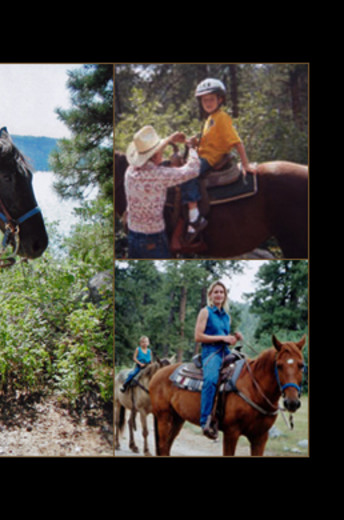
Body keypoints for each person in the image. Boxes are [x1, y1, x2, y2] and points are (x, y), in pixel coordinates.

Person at [182, 78, 256, 242]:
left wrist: (246, 164)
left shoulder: (221, 117)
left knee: (186, 174)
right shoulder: (210, 118)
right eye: (204, 100)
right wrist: (194, 142)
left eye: (211, 99)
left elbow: (236, 141)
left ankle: (194, 217)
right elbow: (210, 140)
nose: (207, 103)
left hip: (210, 159)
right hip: (202, 155)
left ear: (220, 99)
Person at [124, 125, 201, 258]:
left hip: (132, 235)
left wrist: (170, 139)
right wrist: (192, 148)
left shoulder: (130, 171)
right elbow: (193, 170)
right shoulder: (159, 175)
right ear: (155, 156)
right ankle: (194, 217)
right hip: (153, 239)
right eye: (160, 151)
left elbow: (150, 156)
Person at [193, 280, 243, 440]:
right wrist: (223, 337)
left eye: (221, 292)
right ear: (210, 295)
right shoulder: (205, 312)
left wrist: (235, 338)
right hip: (211, 352)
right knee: (211, 380)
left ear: (225, 296)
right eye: (216, 292)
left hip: (225, 352)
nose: (219, 295)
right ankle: (205, 420)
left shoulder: (227, 317)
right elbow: (198, 336)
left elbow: (226, 338)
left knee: (244, 372)